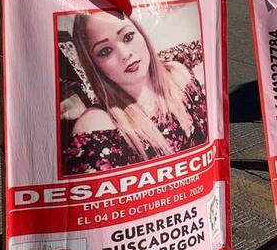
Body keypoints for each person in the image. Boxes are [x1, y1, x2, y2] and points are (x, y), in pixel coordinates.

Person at [63, 10, 207, 174]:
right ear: (94, 66)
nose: (125, 54)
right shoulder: (97, 125)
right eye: (105, 51)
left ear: (142, 34)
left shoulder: (178, 76)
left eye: (128, 37)